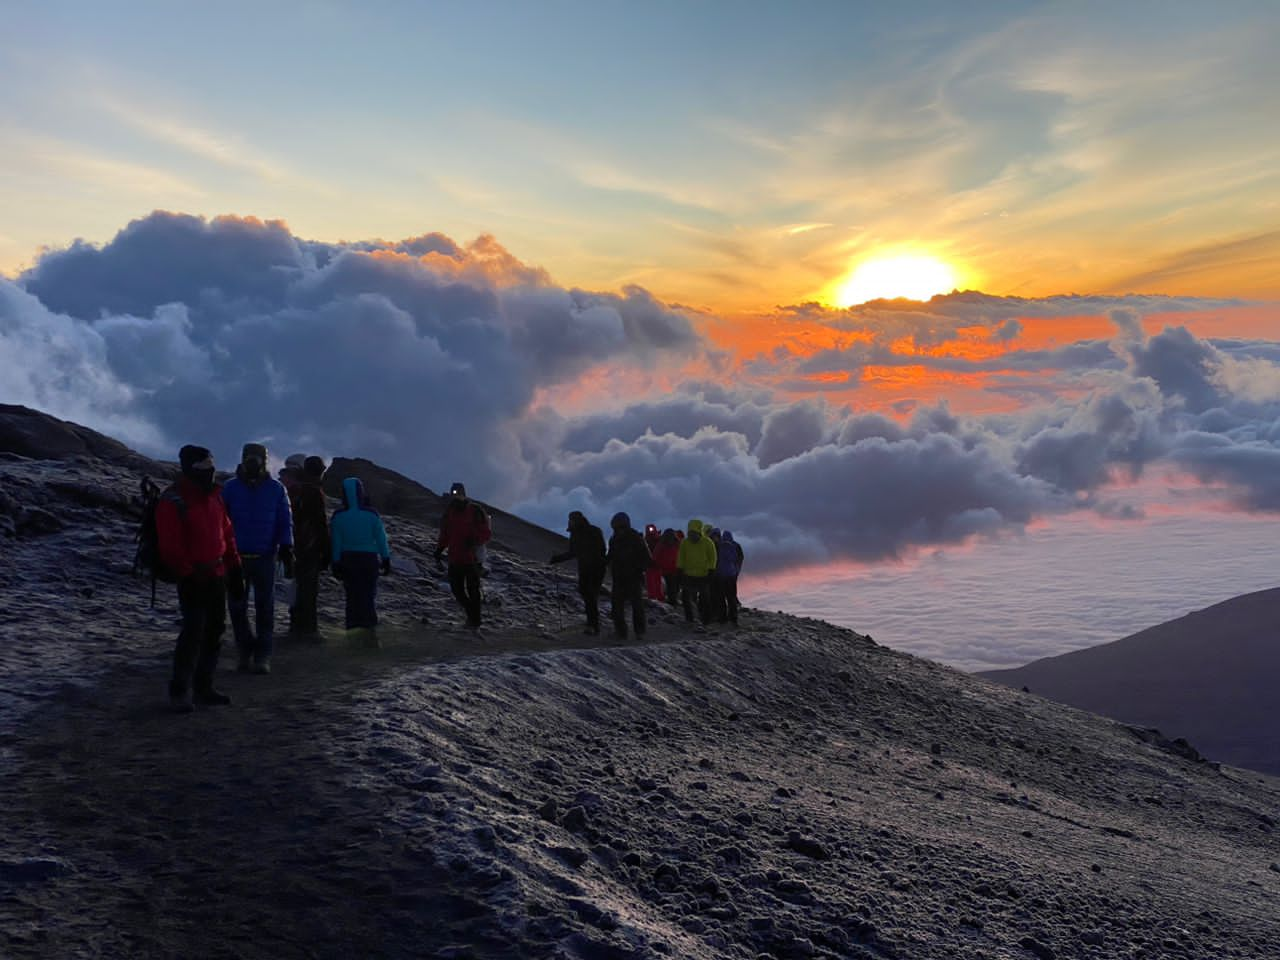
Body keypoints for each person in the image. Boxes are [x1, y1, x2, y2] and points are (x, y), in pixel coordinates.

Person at [156, 445, 242, 712]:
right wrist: (187, 573)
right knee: (193, 632)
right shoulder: (173, 501)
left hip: (216, 573)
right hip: (193, 577)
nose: (209, 472)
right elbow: (170, 545)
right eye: (203, 468)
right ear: (189, 469)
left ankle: (204, 687)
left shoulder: (215, 496)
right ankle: (180, 691)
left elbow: (226, 533)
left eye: (210, 467)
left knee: (214, 631)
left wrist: (234, 567)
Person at [221, 442, 295, 675]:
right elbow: (221, 522)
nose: (252, 461)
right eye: (248, 457)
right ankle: (245, 649)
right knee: (236, 607)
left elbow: (285, 519)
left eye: (257, 457)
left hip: (266, 556)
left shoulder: (276, 489)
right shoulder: (230, 488)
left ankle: (262, 655)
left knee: (265, 607)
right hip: (235, 557)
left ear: (264, 459)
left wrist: (286, 545)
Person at [330, 477, 391, 647]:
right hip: (369, 560)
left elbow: (336, 541)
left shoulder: (338, 516)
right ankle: (370, 635)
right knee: (368, 596)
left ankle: (352, 634)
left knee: (352, 597)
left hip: (348, 560)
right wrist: (385, 558)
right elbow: (381, 538)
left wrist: (335, 562)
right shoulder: (372, 515)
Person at [434, 482, 491, 631]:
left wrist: (475, 540)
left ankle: (475, 621)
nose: (456, 496)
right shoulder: (449, 512)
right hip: (455, 557)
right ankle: (472, 615)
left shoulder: (475, 510)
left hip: (471, 558)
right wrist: (439, 549)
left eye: (458, 493)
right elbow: (445, 534)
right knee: (457, 590)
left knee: (473, 590)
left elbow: (486, 533)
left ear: (464, 494)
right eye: (454, 493)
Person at [288, 456, 331, 641]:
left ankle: (296, 624)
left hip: (294, 543)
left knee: (298, 585)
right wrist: (326, 550)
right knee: (309, 587)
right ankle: (308, 628)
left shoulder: (296, 490)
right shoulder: (314, 492)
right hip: (309, 545)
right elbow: (320, 523)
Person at [549, 510, 607, 635]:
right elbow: (602, 549)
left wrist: (557, 559)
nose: (570, 522)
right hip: (595, 568)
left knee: (589, 595)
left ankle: (592, 625)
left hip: (590, 568)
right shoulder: (594, 531)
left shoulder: (577, 534)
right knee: (589, 595)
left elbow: (573, 552)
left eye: (571, 520)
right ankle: (592, 623)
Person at [606, 512, 650, 640]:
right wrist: (603, 562)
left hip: (634, 577)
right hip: (618, 577)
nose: (619, 530)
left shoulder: (636, 538)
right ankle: (621, 631)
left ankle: (639, 631)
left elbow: (646, 558)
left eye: (621, 527)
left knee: (637, 606)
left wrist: (638, 569)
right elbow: (611, 555)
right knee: (616, 606)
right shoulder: (613, 540)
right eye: (616, 528)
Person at [677, 518, 717, 625]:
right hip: (688, 575)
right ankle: (689, 619)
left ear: (699, 532)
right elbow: (681, 557)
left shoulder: (708, 543)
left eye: (694, 533)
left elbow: (712, 557)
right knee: (686, 599)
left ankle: (706, 620)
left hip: (703, 575)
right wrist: (680, 570)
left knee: (705, 599)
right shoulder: (685, 543)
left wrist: (711, 570)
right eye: (690, 533)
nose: (692, 535)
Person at [716, 530, 745, 626]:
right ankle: (733, 618)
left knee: (721, 598)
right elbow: (739, 558)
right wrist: (736, 570)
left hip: (721, 576)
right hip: (731, 575)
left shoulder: (718, 546)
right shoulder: (735, 546)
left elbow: (715, 560)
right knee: (731, 597)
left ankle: (722, 618)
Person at [652, 528, 681, 606]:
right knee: (671, 586)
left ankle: (672, 601)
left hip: (671, 570)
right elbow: (655, 557)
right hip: (667, 570)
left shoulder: (664, 544)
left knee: (672, 586)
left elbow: (655, 556)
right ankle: (672, 601)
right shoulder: (676, 544)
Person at [643, 523, 664, 601]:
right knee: (650, 581)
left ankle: (659, 596)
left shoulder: (658, 540)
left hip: (656, 564)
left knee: (657, 581)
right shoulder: (646, 540)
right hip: (650, 564)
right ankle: (652, 596)